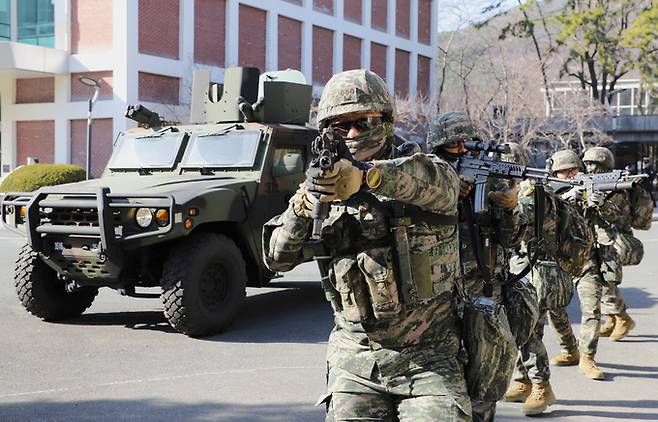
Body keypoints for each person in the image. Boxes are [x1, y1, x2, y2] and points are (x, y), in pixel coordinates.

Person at [262, 69, 471, 421]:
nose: (353, 134)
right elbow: (276, 258)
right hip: (356, 358)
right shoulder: (321, 185)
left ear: (387, 121)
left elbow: (440, 184)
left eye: (364, 121)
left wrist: (367, 176)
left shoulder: (419, 168)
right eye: (340, 127)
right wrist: (305, 204)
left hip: (430, 358)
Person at [426, 112, 520, 422]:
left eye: (468, 143)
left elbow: (508, 240)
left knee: (485, 368)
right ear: (438, 146)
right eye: (455, 144)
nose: (463, 149)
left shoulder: (485, 177)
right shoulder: (425, 179)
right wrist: (450, 192)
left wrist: (509, 211)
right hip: (435, 292)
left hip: (479, 287)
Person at [547, 149, 622, 380]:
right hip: (558, 261)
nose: (571, 176)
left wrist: (600, 204)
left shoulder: (591, 188)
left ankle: (588, 358)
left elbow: (615, 216)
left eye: (574, 170)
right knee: (555, 309)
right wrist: (565, 199)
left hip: (586, 259)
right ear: (555, 174)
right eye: (564, 172)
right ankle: (569, 349)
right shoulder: (548, 194)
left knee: (591, 310)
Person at [503, 143, 566, 416]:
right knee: (524, 328)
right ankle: (522, 380)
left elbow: (517, 224)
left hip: (533, 271)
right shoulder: (518, 190)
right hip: (517, 268)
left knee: (527, 330)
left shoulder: (531, 193)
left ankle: (542, 386)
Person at [582, 147, 650, 341]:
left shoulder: (616, 187)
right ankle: (611, 320)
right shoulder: (598, 183)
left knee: (607, 282)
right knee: (604, 280)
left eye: (591, 164)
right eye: (586, 163)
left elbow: (617, 215)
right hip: (599, 238)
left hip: (612, 240)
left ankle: (623, 319)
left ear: (603, 166)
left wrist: (600, 203)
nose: (588, 167)